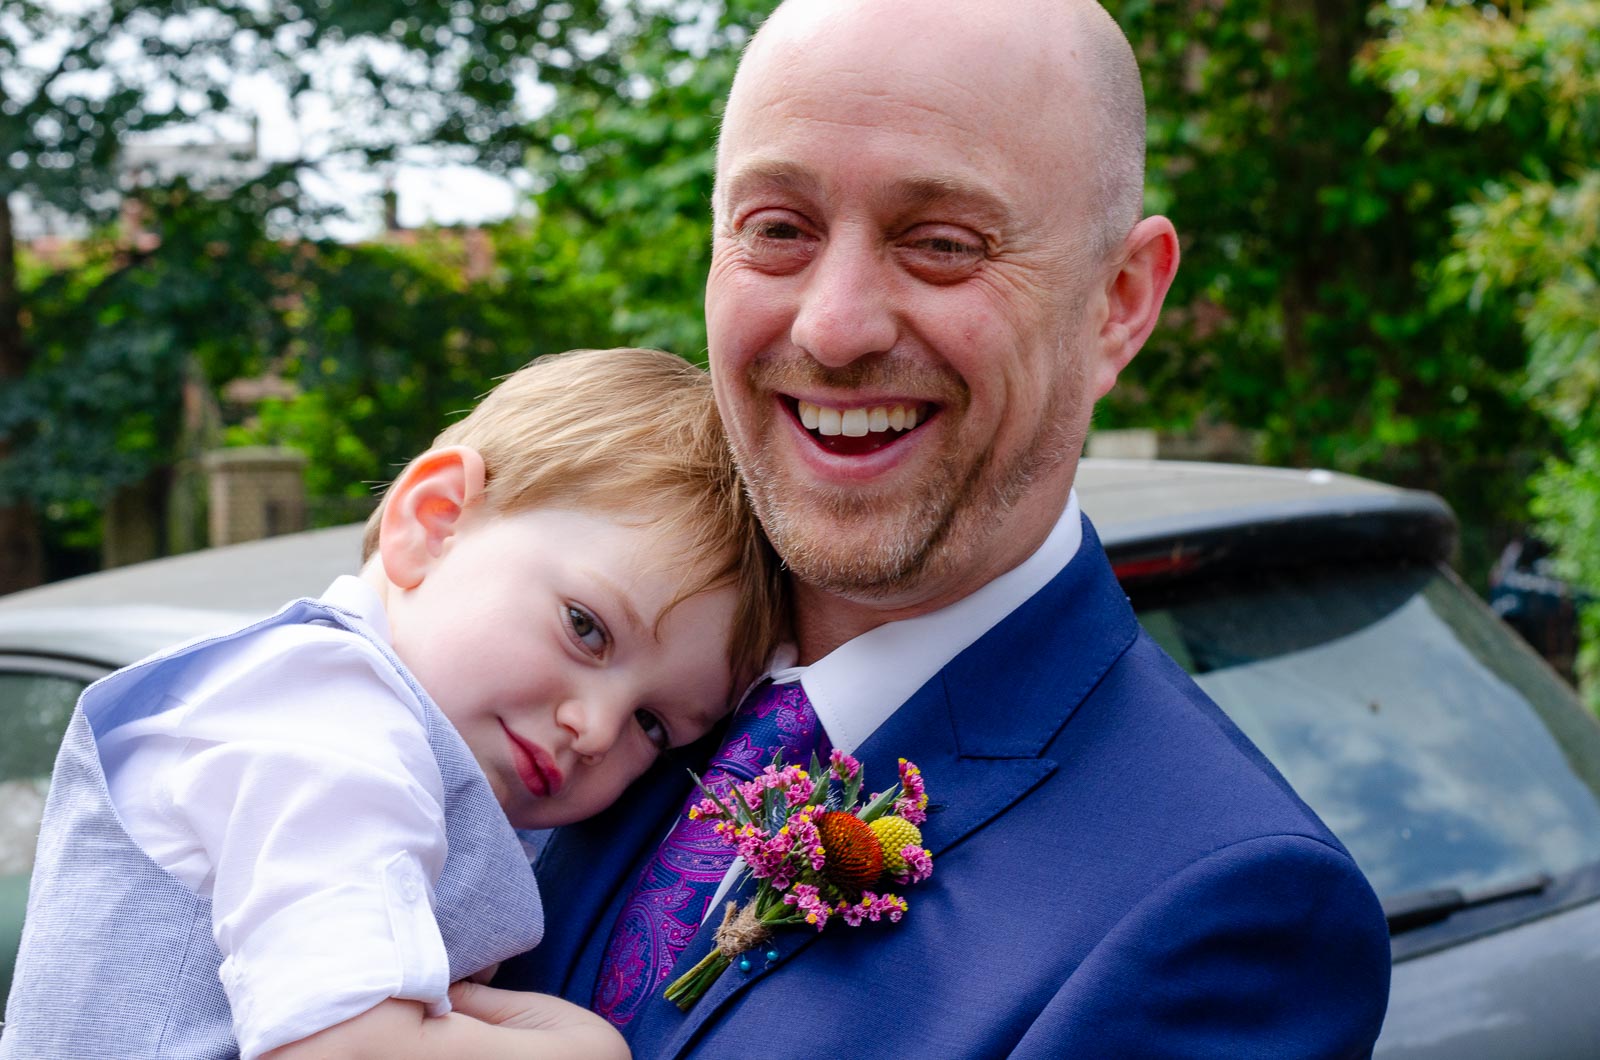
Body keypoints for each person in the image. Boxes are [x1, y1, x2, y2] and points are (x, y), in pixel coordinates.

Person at [498, 1, 1393, 1056]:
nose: (833, 326)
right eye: (778, 229)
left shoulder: (1227, 914)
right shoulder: (550, 647)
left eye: (940, 244)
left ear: (1118, 302)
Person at [0, 348, 786, 1060]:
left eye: (654, 724)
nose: (597, 727)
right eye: (586, 629)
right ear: (435, 522)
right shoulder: (329, 721)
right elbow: (341, 1048)